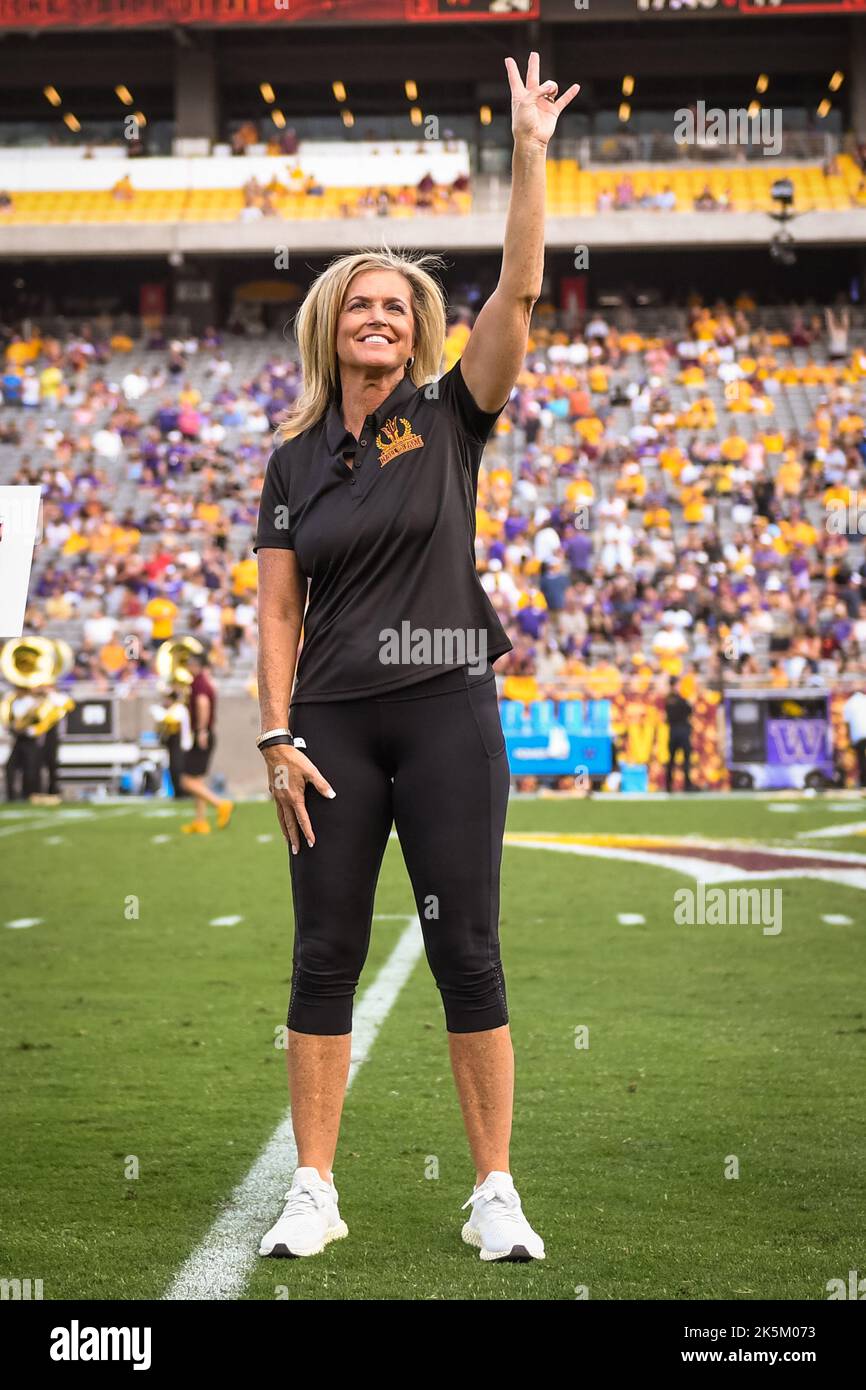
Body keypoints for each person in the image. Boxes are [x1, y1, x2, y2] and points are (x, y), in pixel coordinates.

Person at [253, 50, 579, 1264]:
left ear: (417, 328)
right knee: (323, 947)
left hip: (445, 705)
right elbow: (276, 615)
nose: (379, 316)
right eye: (360, 302)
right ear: (330, 325)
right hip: (329, 723)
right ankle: (312, 1187)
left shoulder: (450, 414)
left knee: (467, 947)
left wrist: (528, 150)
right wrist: (276, 732)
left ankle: (493, 1187)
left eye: (396, 304)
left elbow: (524, 288)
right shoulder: (289, 463)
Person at [179, 651, 233, 834]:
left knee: (186, 781)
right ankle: (200, 821)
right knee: (197, 780)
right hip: (206, 733)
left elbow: (203, 705)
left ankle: (220, 804)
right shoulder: (204, 681)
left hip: (201, 734)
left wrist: (201, 731)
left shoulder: (199, 683)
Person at [664, 676, 694, 793]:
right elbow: (688, 711)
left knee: (672, 759)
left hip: (673, 731)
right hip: (681, 731)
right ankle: (686, 784)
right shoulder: (679, 699)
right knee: (684, 759)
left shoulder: (668, 699)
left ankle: (669, 784)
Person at [842, 685, 866, 786]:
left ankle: (864, 782)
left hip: (858, 736)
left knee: (861, 759)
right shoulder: (864, 700)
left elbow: (847, 723)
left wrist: (849, 739)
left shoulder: (848, 703)